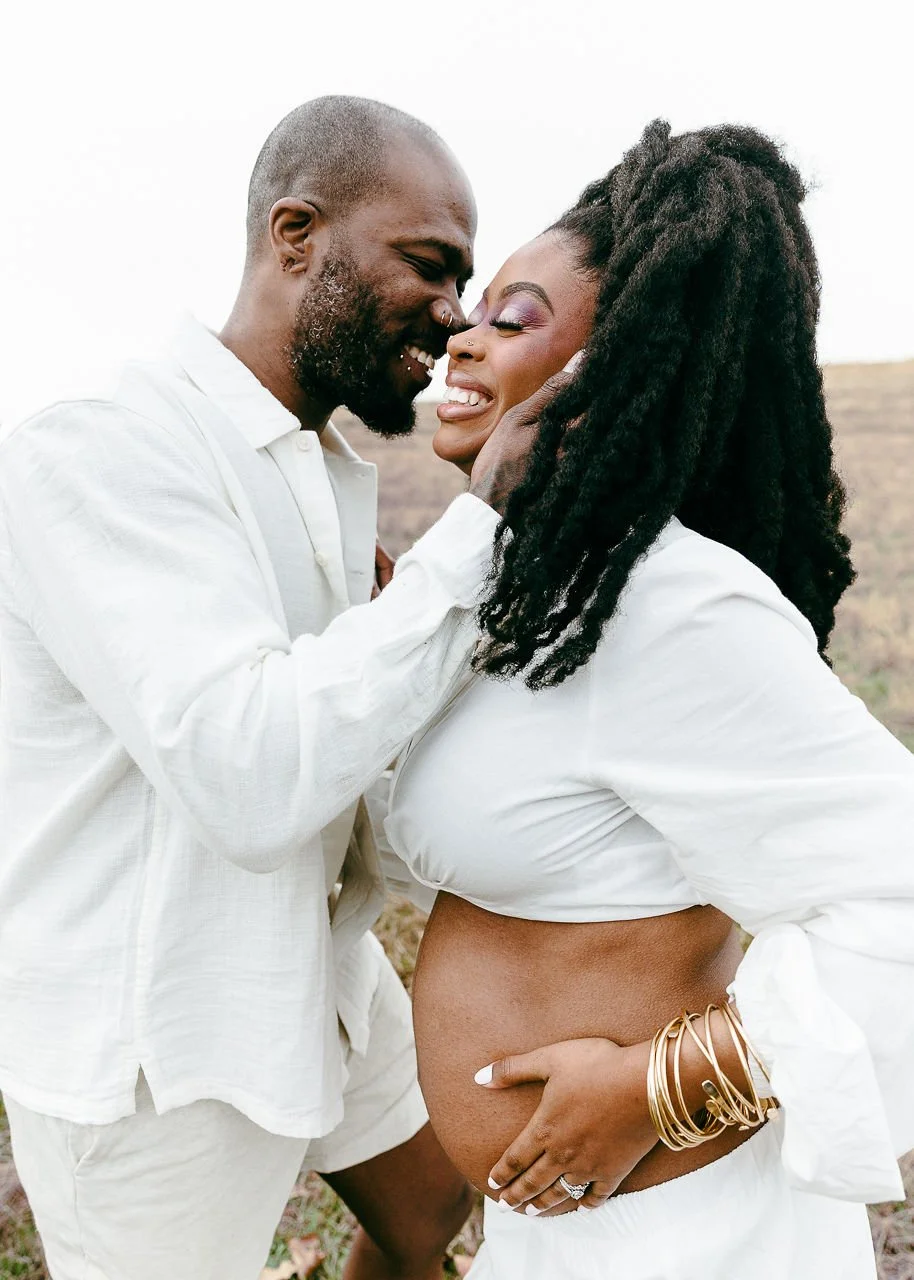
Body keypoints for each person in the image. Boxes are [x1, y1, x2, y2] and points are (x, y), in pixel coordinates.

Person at [0, 95, 536, 1280]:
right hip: (159, 1043)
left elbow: (341, 747)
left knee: (429, 1200)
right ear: (296, 234)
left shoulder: (322, 467)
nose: (453, 313)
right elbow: (248, 772)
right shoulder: (102, 446)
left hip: (314, 964)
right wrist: (479, 532)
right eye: (428, 264)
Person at [382, 120, 914, 1278]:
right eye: (474, 308)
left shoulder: (670, 603)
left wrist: (654, 1087)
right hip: (565, 1229)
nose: (461, 339)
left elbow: (903, 892)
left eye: (512, 318)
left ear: (622, 359)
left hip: (684, 1235)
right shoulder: (526, 586)